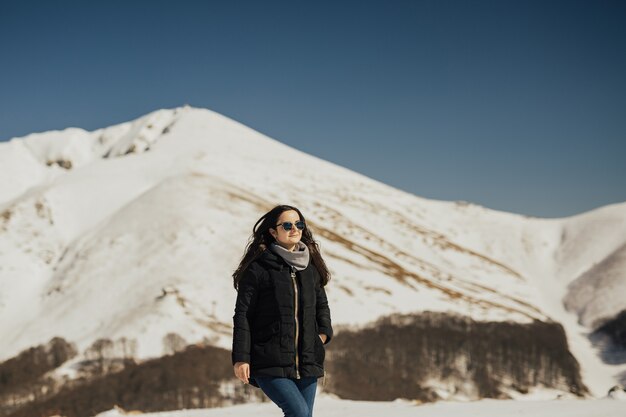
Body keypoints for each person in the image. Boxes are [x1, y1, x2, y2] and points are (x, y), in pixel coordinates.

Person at [232, 204, 333, 417]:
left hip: (308, 359)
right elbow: (243, 315)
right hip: (269, 360)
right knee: (298, 413)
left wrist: (322, 334)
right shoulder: (258, 269)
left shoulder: (310, 268)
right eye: (287, 225)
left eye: (299, 224)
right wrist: (241, 357)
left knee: (303, 415)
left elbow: (321, 305)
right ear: (272, 231)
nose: (294, 229)